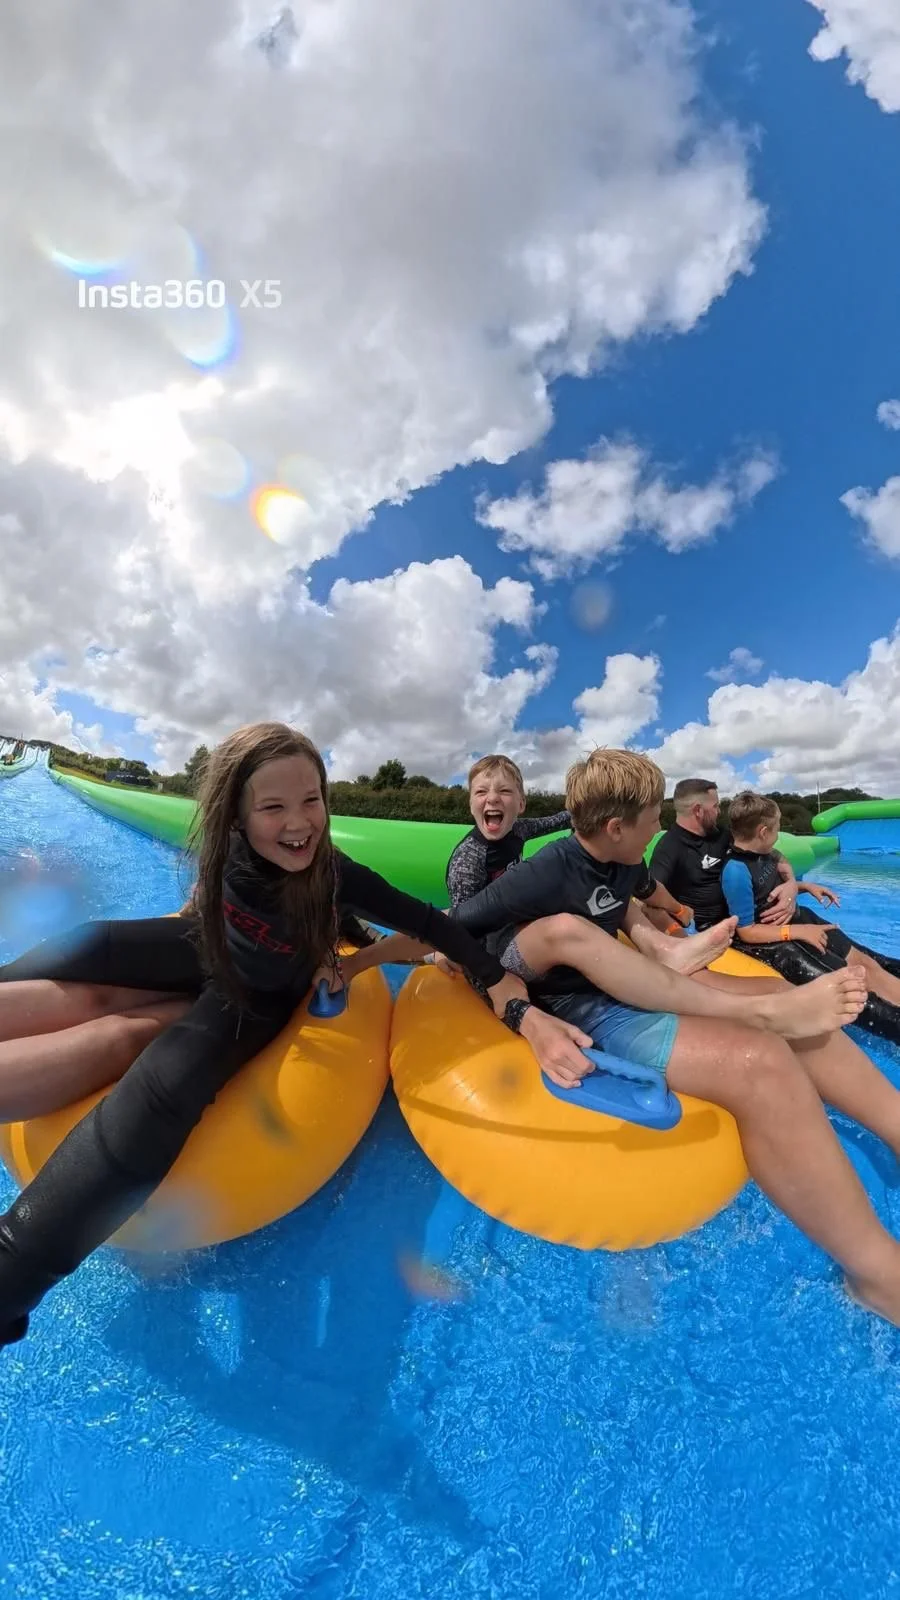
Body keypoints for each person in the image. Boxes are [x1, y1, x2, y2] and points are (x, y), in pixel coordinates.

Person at [0, 722, 530, 1348]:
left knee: (166, 1089)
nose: (299, 821)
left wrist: (493, 976)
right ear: (240, 814)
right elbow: (206, 902)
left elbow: (425, 920)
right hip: (203, 947)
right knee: (87, 943)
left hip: (250, 997)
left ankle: (12, 1273)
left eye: (311, 800)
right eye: (273, 806)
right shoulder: (226, 847)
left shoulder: (334, 873)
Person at [448, 747, 900, 1326]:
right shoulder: (545, 871)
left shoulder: (624, 862)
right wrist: (485, 991)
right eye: (651, 819)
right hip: (577, 1008)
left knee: (766, 994)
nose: (660, 828)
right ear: (616, 828)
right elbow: (451, 926)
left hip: (619, 981)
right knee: (757, 1058)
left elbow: (639, 904)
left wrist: (675, 931)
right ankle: (879, 1275)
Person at [722, 792, 900, 1044]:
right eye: (777, 827)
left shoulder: (767, 853)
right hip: (783, 937)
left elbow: (778, 878)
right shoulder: (736, 872)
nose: (779, 832)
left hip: (801, 919)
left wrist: (803, 887)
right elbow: (747, 931)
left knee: (866, 963)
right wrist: (796, 932)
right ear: (762, 832)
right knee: (855, 977)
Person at [649, 778, 799, 932]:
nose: (719, 811)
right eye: (715, 806)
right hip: (704, 930)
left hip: (741, 920)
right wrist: (678, 920)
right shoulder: (669, 848)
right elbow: (650, 897)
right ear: (698, 811)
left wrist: (791, 884)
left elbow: (769, 851)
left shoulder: (722, 834)